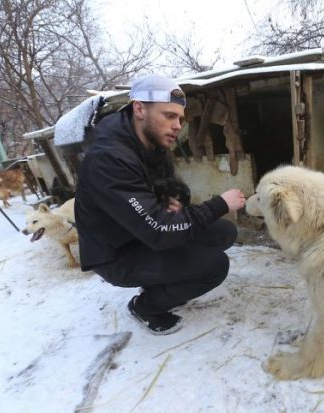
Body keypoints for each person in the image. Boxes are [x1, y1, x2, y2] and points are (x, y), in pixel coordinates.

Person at [75, 74, 246, 335]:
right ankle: (145, 306)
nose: (177, 125)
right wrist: (218, 204)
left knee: (224, 232)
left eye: (179, 118)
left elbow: (172, 189)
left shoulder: (151, 144)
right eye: (169, 115)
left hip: (140, 234)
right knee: (215, 266)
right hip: (117, 253)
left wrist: (174, 200)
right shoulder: (108, 159)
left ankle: (163, 283)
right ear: (140, 109)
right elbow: (158, 230)